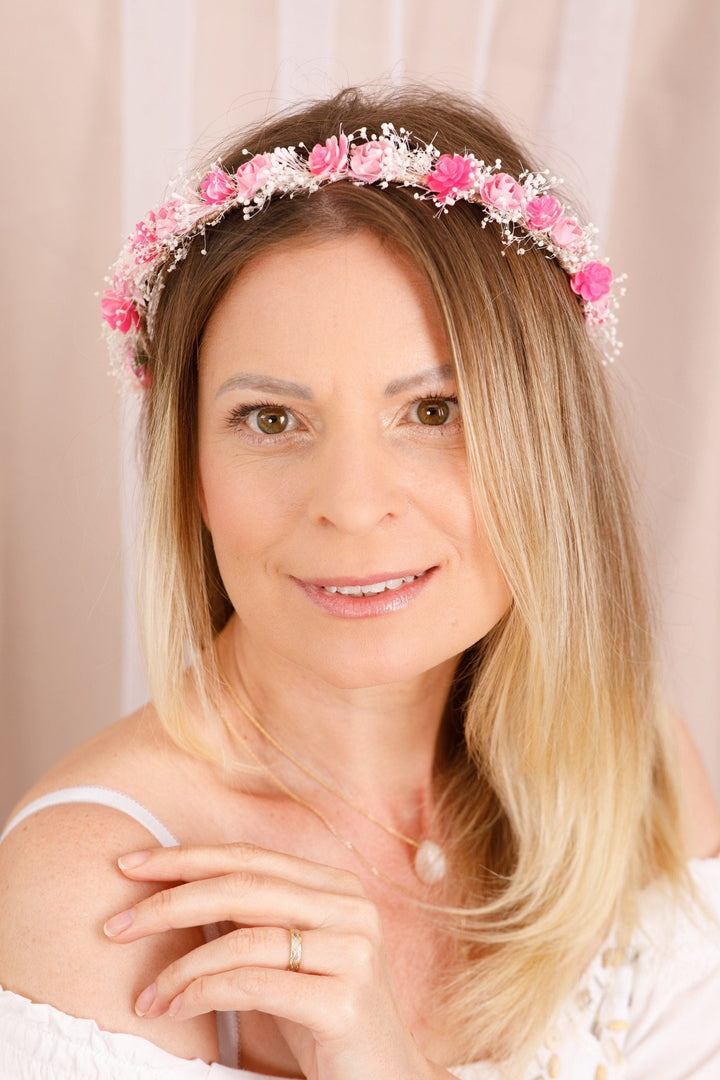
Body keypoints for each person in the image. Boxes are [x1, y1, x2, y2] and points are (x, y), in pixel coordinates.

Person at [0, 86, 719, 1080]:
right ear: (189, 473)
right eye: (269, 419)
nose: (350, 504)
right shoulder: (99, 894)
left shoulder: (638, 772)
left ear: (548, 446)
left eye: (432, 412)